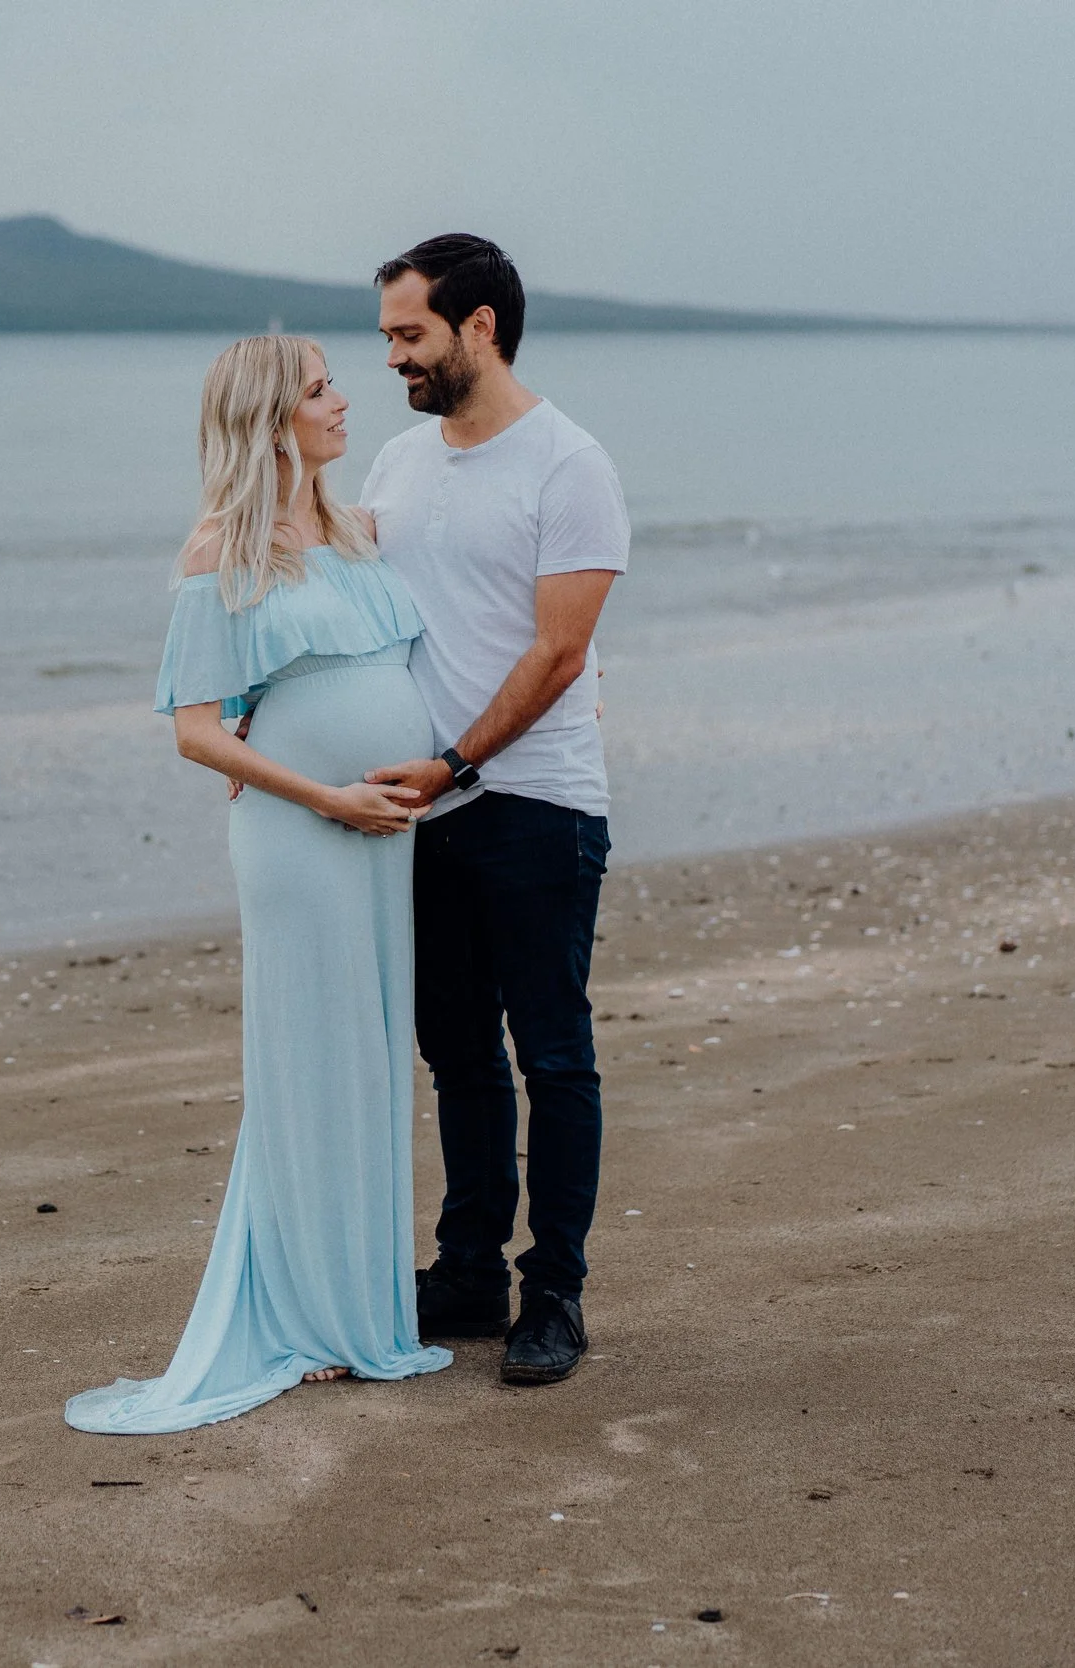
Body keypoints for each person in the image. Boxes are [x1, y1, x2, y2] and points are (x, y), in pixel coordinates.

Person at [64, 335, 452, 1434]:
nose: (344, 402)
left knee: (372, 1051)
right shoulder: (217, 550)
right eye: (322, 389)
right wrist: (322, 796)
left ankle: (358, 1308)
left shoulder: (358, 528)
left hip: (383, 830)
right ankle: (304, 1315)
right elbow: (195, 731)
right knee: (308, 1055)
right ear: (271, 416)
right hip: (300, 833)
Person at [358, 234, 629, 1388]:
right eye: (385, 340)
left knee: (552, 1059)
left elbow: (560, 652)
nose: (393, 360)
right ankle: (464, 1269)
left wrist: (456, 763)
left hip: (533, 805)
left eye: (408, 335)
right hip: (426, 813)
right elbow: (350, 614)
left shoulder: (568, 466)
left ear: (479, 327)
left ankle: (551, 1294)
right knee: (456, 1056)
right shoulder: (396, 461)